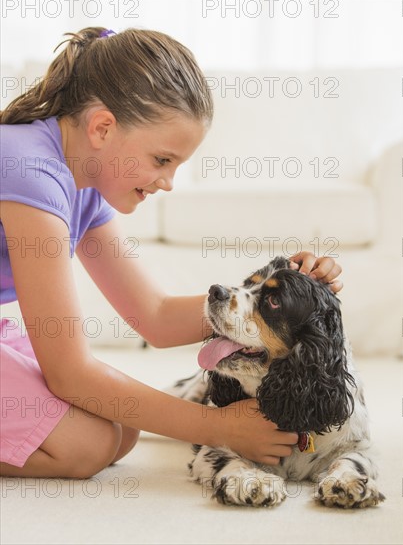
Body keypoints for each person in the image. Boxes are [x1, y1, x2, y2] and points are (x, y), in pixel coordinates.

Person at [0, 27, 342, 478]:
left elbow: (154, 315)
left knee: (122, 429)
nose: (168, 182)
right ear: (103, 127)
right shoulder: (30, 173)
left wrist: (275, 304)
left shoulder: (81, 184)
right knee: (87, 444)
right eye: (162, 160)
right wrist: (217, 427)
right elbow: (68, 372)